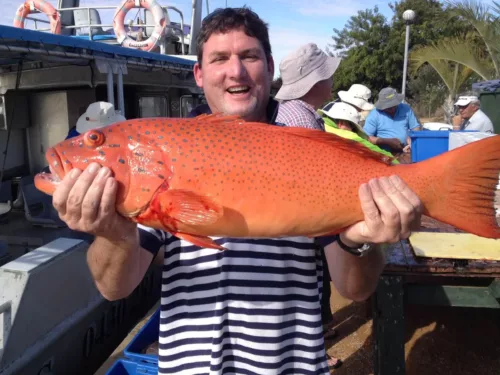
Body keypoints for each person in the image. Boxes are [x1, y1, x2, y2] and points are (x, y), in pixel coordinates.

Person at [50, 7, 423, 375]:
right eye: (219, 58)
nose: (236, 71)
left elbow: (356, 289)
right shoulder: (161, 155)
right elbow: (115, 289)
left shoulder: (308, 150)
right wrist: (113, 234)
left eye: (249, 56)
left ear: (270, 67)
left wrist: (360, 241)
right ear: (199, 73)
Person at [275, 42, 343, 370]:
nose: (332, 82)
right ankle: (314, 352)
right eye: (328, 76)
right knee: (313, 290)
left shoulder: (295, 115)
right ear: (315, 83)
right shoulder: (301, 123)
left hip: (301, 224)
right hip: (306, 229)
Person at [275, 43, 341, 130]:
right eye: (330, 75)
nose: (332, 81)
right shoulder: (304, 123)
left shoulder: (288, 109)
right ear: (317, 82)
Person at [320, 101, 398, 163]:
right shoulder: (349, 136)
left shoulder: (320, 125)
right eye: (352, 126)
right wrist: (396, 162)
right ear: (342, 123)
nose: (352, 130)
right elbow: (377, 151)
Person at [363, 87, 421, 154]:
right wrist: (387, 141)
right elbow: (367, 138)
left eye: (394, 106)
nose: (392, 109)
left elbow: (415, 127)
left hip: (406, 151)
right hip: (383, 153)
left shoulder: (406, 109)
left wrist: (411, 138)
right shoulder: (374, 114)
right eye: (388, 108)